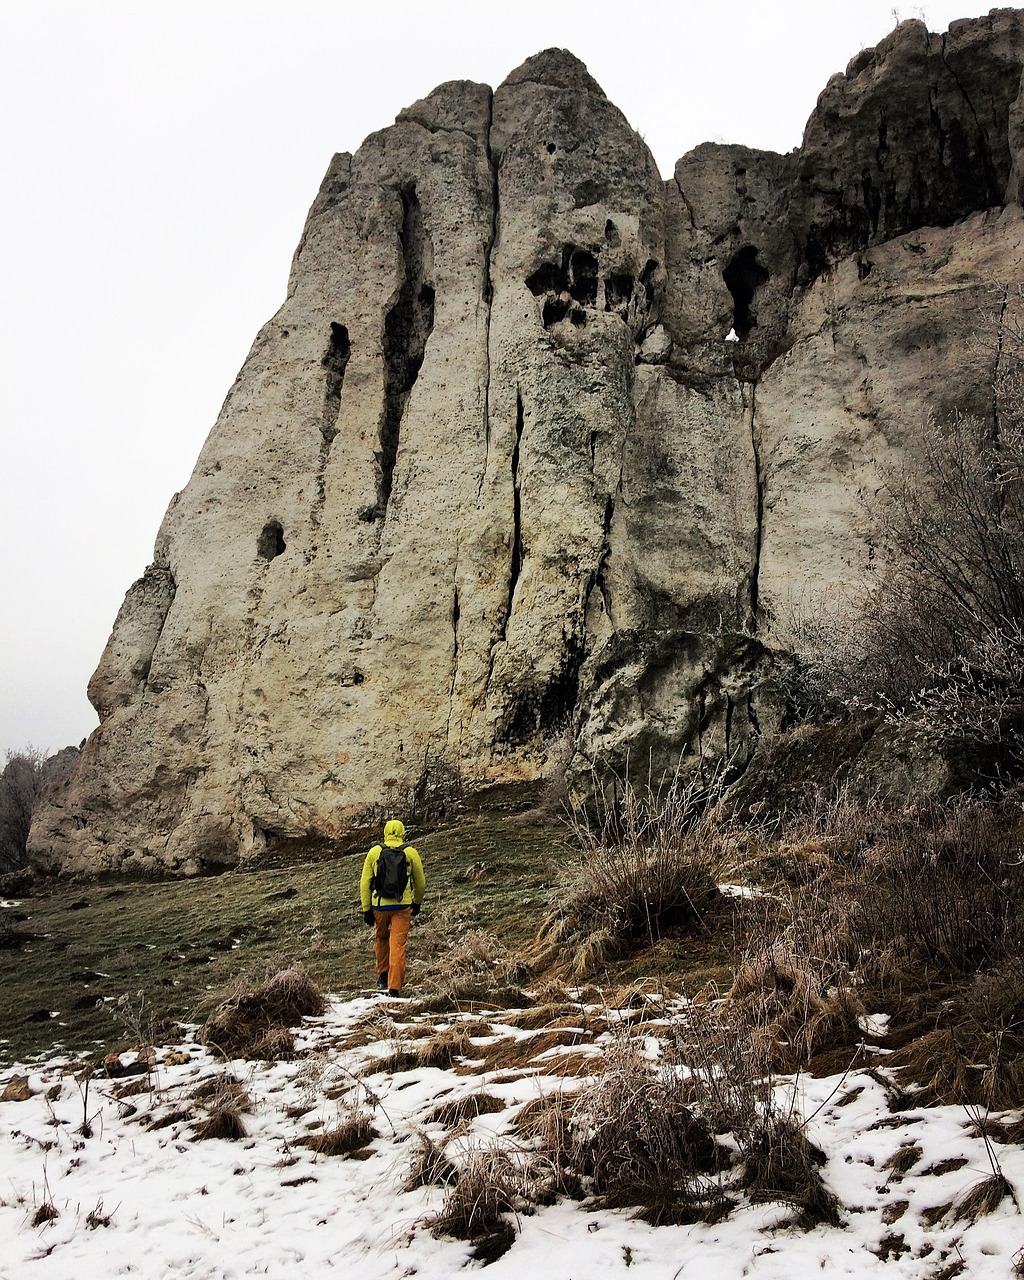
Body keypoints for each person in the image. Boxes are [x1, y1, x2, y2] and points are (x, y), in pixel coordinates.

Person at [359, 818, 426, 996]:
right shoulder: (410, 853)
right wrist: (416, 902)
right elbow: (420, 883)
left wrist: (366, 909)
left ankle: (382, 975)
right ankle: (394, 988)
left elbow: (365, 882)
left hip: (379, 906)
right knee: (398, 945)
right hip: (402, 906)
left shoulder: (375, 852)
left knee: (381, 938)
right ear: (403, 832)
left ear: (385, 832)